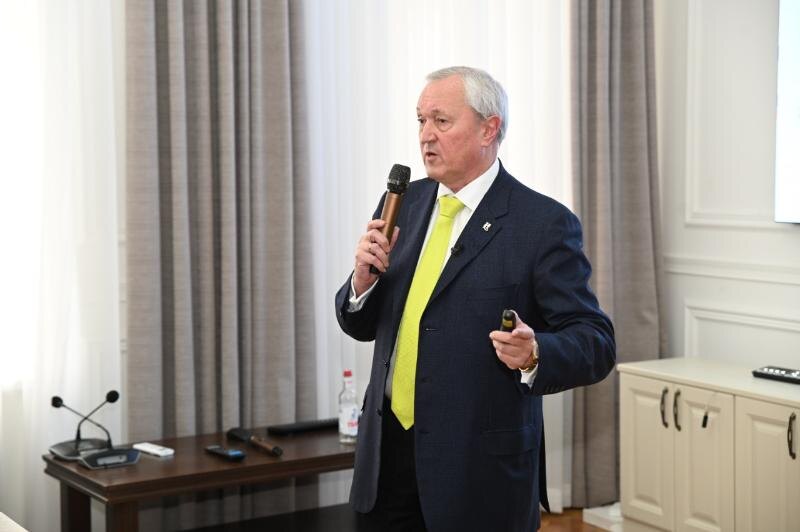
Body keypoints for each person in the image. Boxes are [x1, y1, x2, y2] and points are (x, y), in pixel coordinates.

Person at [334, 66, 615, 531]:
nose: (425, 135)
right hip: (386, 462)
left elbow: (595, 341)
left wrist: (535, 352)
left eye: (441, 121)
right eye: (421, 120)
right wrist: (362, 285)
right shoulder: (403, 203)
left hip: (477, 475)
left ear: (489, 129)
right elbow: (362, 325)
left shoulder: (541, 223)